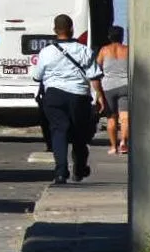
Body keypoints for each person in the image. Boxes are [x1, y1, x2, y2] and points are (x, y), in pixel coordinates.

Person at [29, 13, 106, 186]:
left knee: (58, 131)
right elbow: (94, 76)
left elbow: (37, 76)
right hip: (79, 96)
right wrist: (100, 96)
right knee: (79, 134)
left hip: (54, 96)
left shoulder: (46, 52)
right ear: (72, 29)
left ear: (55, 30)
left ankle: (61, 172)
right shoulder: (84, 50)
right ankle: (79, 168)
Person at [96, 26, 130, 155]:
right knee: (125, 117)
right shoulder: (127, 50)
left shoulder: (104, 50)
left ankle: (113, 146)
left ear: (109, 37)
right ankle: (123, 143)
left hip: (108, 87)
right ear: (122, 37)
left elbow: (97, 67)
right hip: (125, 85)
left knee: (111, 117)